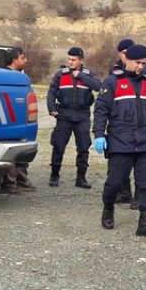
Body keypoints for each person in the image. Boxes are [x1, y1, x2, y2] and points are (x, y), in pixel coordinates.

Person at [94, 44, 146, 241]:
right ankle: (108, 207)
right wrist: (98, 134)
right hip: (120, 140)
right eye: (138, 63)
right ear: (126, 60)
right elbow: (101, 110)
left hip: (145, 140)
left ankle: (144, 223)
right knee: (114, 182)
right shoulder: (112, 82)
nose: (141, 66)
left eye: (144, 63)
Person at [109, 38, 146, 208]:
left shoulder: (145, 72)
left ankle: (139, 197)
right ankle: (124, 192)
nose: (125, 56)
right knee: (120, 167)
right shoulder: (114, 71)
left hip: (142, 126)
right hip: (121, 130)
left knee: (143, 167)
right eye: (123, 53)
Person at [46, 46, 102, 188]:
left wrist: (81, 76)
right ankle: (54, 175)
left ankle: (81, 178)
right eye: (69, 59)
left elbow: (98, 86)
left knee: (83, 147)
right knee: (58, 146)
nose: (70, 62)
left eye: (74, 60)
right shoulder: (61, 74)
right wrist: (51, 108)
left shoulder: (89, 74)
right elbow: (52, 92)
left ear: (81, 60)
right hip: (64, 114)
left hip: (82, 116)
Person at [0, 46, 37, 194]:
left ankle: (22, 181)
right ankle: (9, 185)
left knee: (22, 152)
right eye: (22, 57)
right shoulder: (5, 76)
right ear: (14, 60)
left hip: (22, 120)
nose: (26, 60)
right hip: (9, 120)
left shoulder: (20, 76)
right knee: (11, 153)